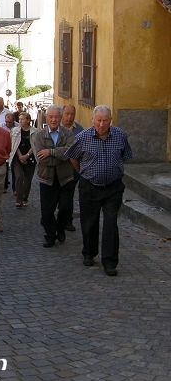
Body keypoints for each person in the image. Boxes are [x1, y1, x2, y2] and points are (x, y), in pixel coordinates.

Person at [65, 105, 132, 277]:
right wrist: (84, 173)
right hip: (89, 186)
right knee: (89, 221)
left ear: (111, 121)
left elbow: (125, 156)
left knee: (110, 223)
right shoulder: (83, 137)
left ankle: (110, 261)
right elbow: (73, 157)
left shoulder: (120, 135)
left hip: (113, 187)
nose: (102, 124)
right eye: (99, 120)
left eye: (105, 120)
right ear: (93, 120)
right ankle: (89, 252)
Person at [33, 105, 76, 248]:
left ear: (61, 118)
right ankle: (50, 235)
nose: (53, 120)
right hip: (47, 177)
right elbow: (41, 158)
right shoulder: (39, 135)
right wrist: (60, 155)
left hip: (65, 177)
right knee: (47, 209)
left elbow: (69, 153)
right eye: (51, 117)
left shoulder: (68, 134)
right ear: (46, 118)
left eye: (57, 117)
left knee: (65, 207)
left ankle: (61, 228)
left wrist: (50, 152)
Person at [61, 104, 84, 232]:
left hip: (73, 168)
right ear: (62, 114)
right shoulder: (56, 128)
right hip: (58, 167)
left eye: (72, 114)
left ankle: (67, 220)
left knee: (68, 195)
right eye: (67, 114)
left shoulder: (79, 130)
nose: (69, 117)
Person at [9, 112, 37, 208]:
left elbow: (34, 145)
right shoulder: (15, 131)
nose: (20, 121)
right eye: (19, 119)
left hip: (30, 157)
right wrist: (21, 156)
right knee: (19, 176)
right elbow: (14, 145)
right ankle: (19, 199)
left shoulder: (34, 132)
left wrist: (27, 156)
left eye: (22, 119)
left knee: (28, 179)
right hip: (17, 157)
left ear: (28, 120)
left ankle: (25, 198)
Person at [0, 112, 19, 194]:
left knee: (15, 169)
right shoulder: (1, 126)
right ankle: (4, 186)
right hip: (4, 149)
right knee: (5, 169)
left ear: (13, 120)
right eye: (6, 122)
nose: (8, 124)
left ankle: (15, 188)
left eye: (10, 122)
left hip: (15, 149)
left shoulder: (18, 126)